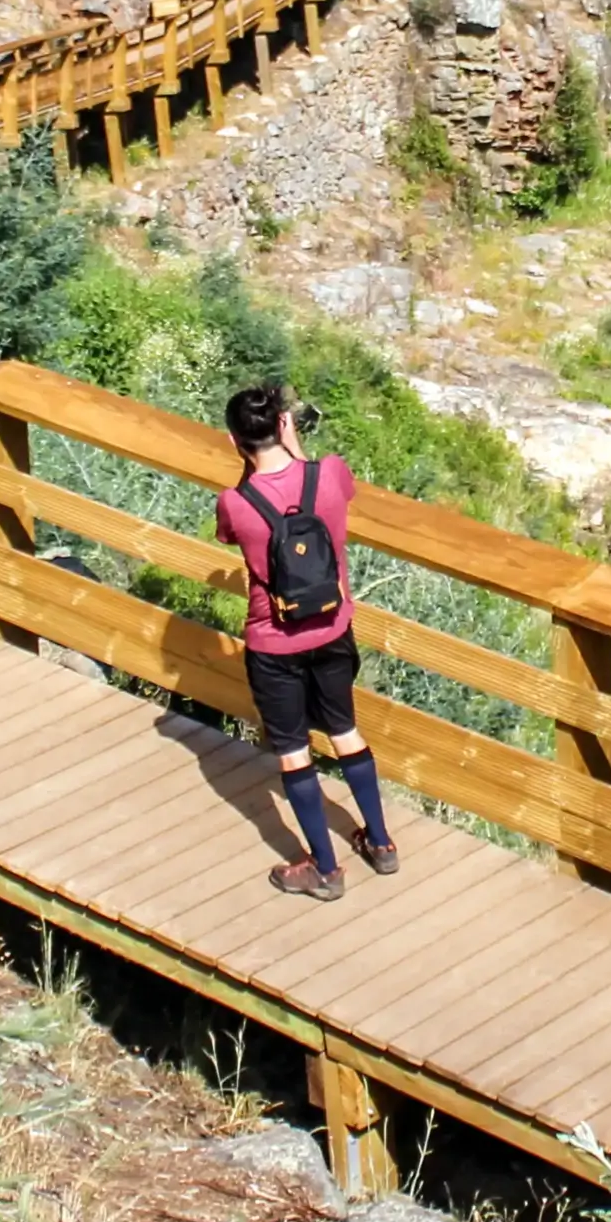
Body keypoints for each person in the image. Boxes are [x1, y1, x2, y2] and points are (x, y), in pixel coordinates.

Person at [216, 381, 397, 903]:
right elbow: (328, 490)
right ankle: (381, 844)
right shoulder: (330, 474)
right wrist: (299, 453)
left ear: (234, 442)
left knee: (294, 751)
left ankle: (325, 868)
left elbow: (232, 533)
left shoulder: (236, 502)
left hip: (275, 643)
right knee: (345, 730)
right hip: (334, 630)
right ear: (282, 425)